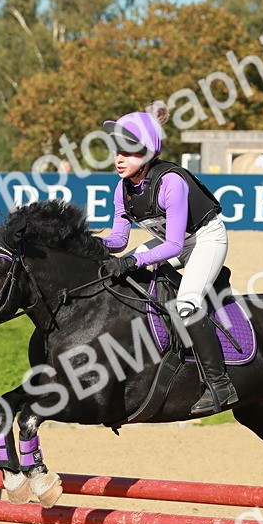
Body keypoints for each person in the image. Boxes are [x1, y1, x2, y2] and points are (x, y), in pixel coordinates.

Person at [100, 101, 236, 416]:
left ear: (147, 153)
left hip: (204, 240)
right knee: (122, 276)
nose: (119, 158)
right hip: (172, 242)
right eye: (117, 151)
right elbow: (119, 241)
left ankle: (219, 384)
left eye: (128, 152)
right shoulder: (123, 189)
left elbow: (174, 245)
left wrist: (136, 261)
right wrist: (89, 244)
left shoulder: (170, 182)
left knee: (187, 303)